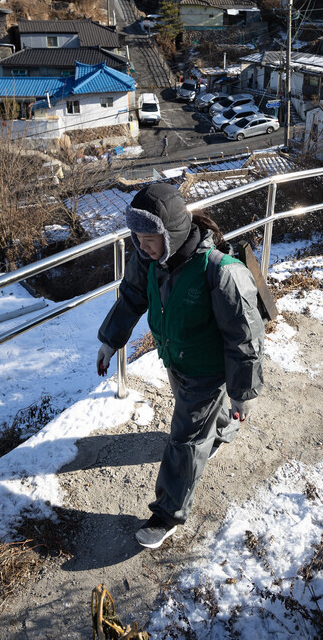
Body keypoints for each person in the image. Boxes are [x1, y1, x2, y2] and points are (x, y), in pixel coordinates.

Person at [96, 183, 265, 549]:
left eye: (148, 238)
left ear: (170, 232)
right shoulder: (149, 258)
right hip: (176, 359)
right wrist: (111, 340)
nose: (141, 245)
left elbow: (245, 337)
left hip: (207, 368)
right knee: (199, 425)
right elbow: (132, 297)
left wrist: (243, 392)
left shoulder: (220, 272)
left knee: (184, 439)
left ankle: (167, 514)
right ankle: (222, 429)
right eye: (137, 237)